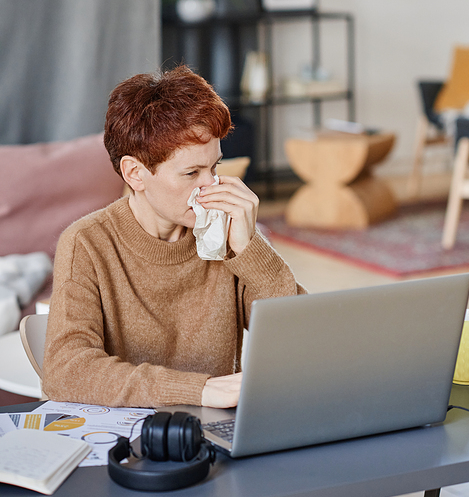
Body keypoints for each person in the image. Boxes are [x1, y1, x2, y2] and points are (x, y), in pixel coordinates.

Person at [43, 65, 306, 409]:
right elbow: (67, 371)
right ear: (135, 173)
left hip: (221, 432)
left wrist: (250, 250)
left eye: (214, 167)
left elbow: (300, 342)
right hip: (133, 439)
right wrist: (200, 390)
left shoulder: (226, 235)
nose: (210, 185)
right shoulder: (87, 243)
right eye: (191, 172)